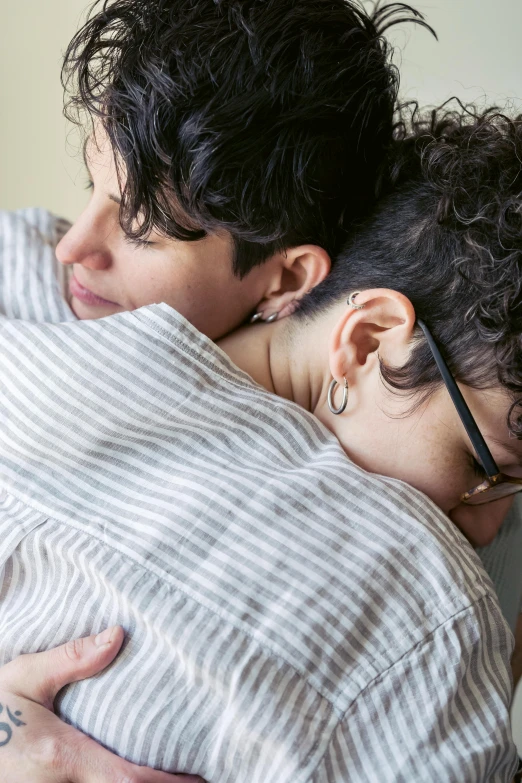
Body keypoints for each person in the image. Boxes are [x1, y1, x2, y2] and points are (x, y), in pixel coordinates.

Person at [0, 105, 521, 782]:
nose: (492, 521)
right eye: (480, 465)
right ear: (366, 340)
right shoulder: (432, 609)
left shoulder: (27, 281)